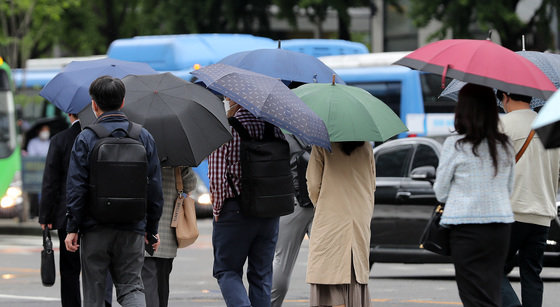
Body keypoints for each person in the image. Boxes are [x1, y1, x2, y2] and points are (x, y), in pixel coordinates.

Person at [64, 75, 164, 307]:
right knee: (131, 287)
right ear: (123, 101)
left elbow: (76, 187)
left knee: (95, 292)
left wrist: (72, 227)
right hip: (133, 226)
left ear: (94, 104)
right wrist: (152, 229)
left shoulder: (86, 138)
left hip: (95, 227)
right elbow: (155, 187)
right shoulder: (143, 136)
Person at [433, 83, 515, 307]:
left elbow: (440, 191)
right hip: (500, 226)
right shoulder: (505, 145)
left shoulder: (455, 145)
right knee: (491, 289)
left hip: (465, 228)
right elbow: (509, 189)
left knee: (472, 294)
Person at [208, 97, 283, 307]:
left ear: (233, 98)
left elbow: (216, 176)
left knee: (227, 270)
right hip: (269, 210)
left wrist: (217, 209)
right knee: (261, 274)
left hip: (235, 209)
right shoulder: (273, 127)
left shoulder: (226, 128)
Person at [497, 89, 560, 307]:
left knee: (492, 270)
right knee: (532, 274)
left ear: (505, 96)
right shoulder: (551, 125)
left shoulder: (502, 126)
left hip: (512, 212)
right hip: (542, 215)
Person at [305, 140, 375, 307]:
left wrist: (321, 204)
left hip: (331, 215)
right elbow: (371, 185)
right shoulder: (366, 147)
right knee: (355, 270)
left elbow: (313, 185)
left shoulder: (321, 144)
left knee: (328, 271)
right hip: (360, 216)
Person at [38, 113, 81, 306]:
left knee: (70, 269)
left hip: (67, 213)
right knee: (98, 268)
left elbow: (50, 182)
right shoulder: (103, 137)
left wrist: (45, 215)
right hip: (99, 215)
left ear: (70, 113)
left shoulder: (60, 140)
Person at [142, 166, 196, 307]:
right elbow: (190, 184)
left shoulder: (140, 151)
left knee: (147, 283)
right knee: (162, 286)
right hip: (167, 232)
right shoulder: (176, 157)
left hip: (143, 229)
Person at [271, 134, 314, 307]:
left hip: (292, 204)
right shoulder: (321, 136)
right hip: (320, 203)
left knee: (282, 261)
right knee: (325, 261)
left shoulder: (281, 136)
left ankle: (271, 303)